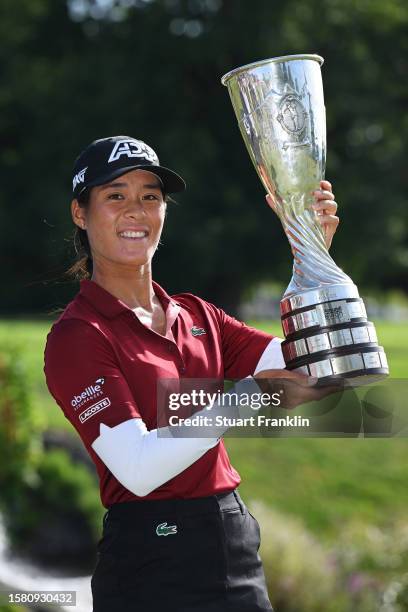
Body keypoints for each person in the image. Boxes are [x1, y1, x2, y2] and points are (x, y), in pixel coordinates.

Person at [44, 136, 340, 612]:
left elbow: (315, 373)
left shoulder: (198, 314)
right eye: (115, 196)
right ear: (80, 213)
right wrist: (246, 395)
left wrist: (311, 256)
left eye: (150, 196)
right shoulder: (79, 335)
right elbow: (138, 470)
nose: (136, 210)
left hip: (231, 543)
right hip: (151, 562)